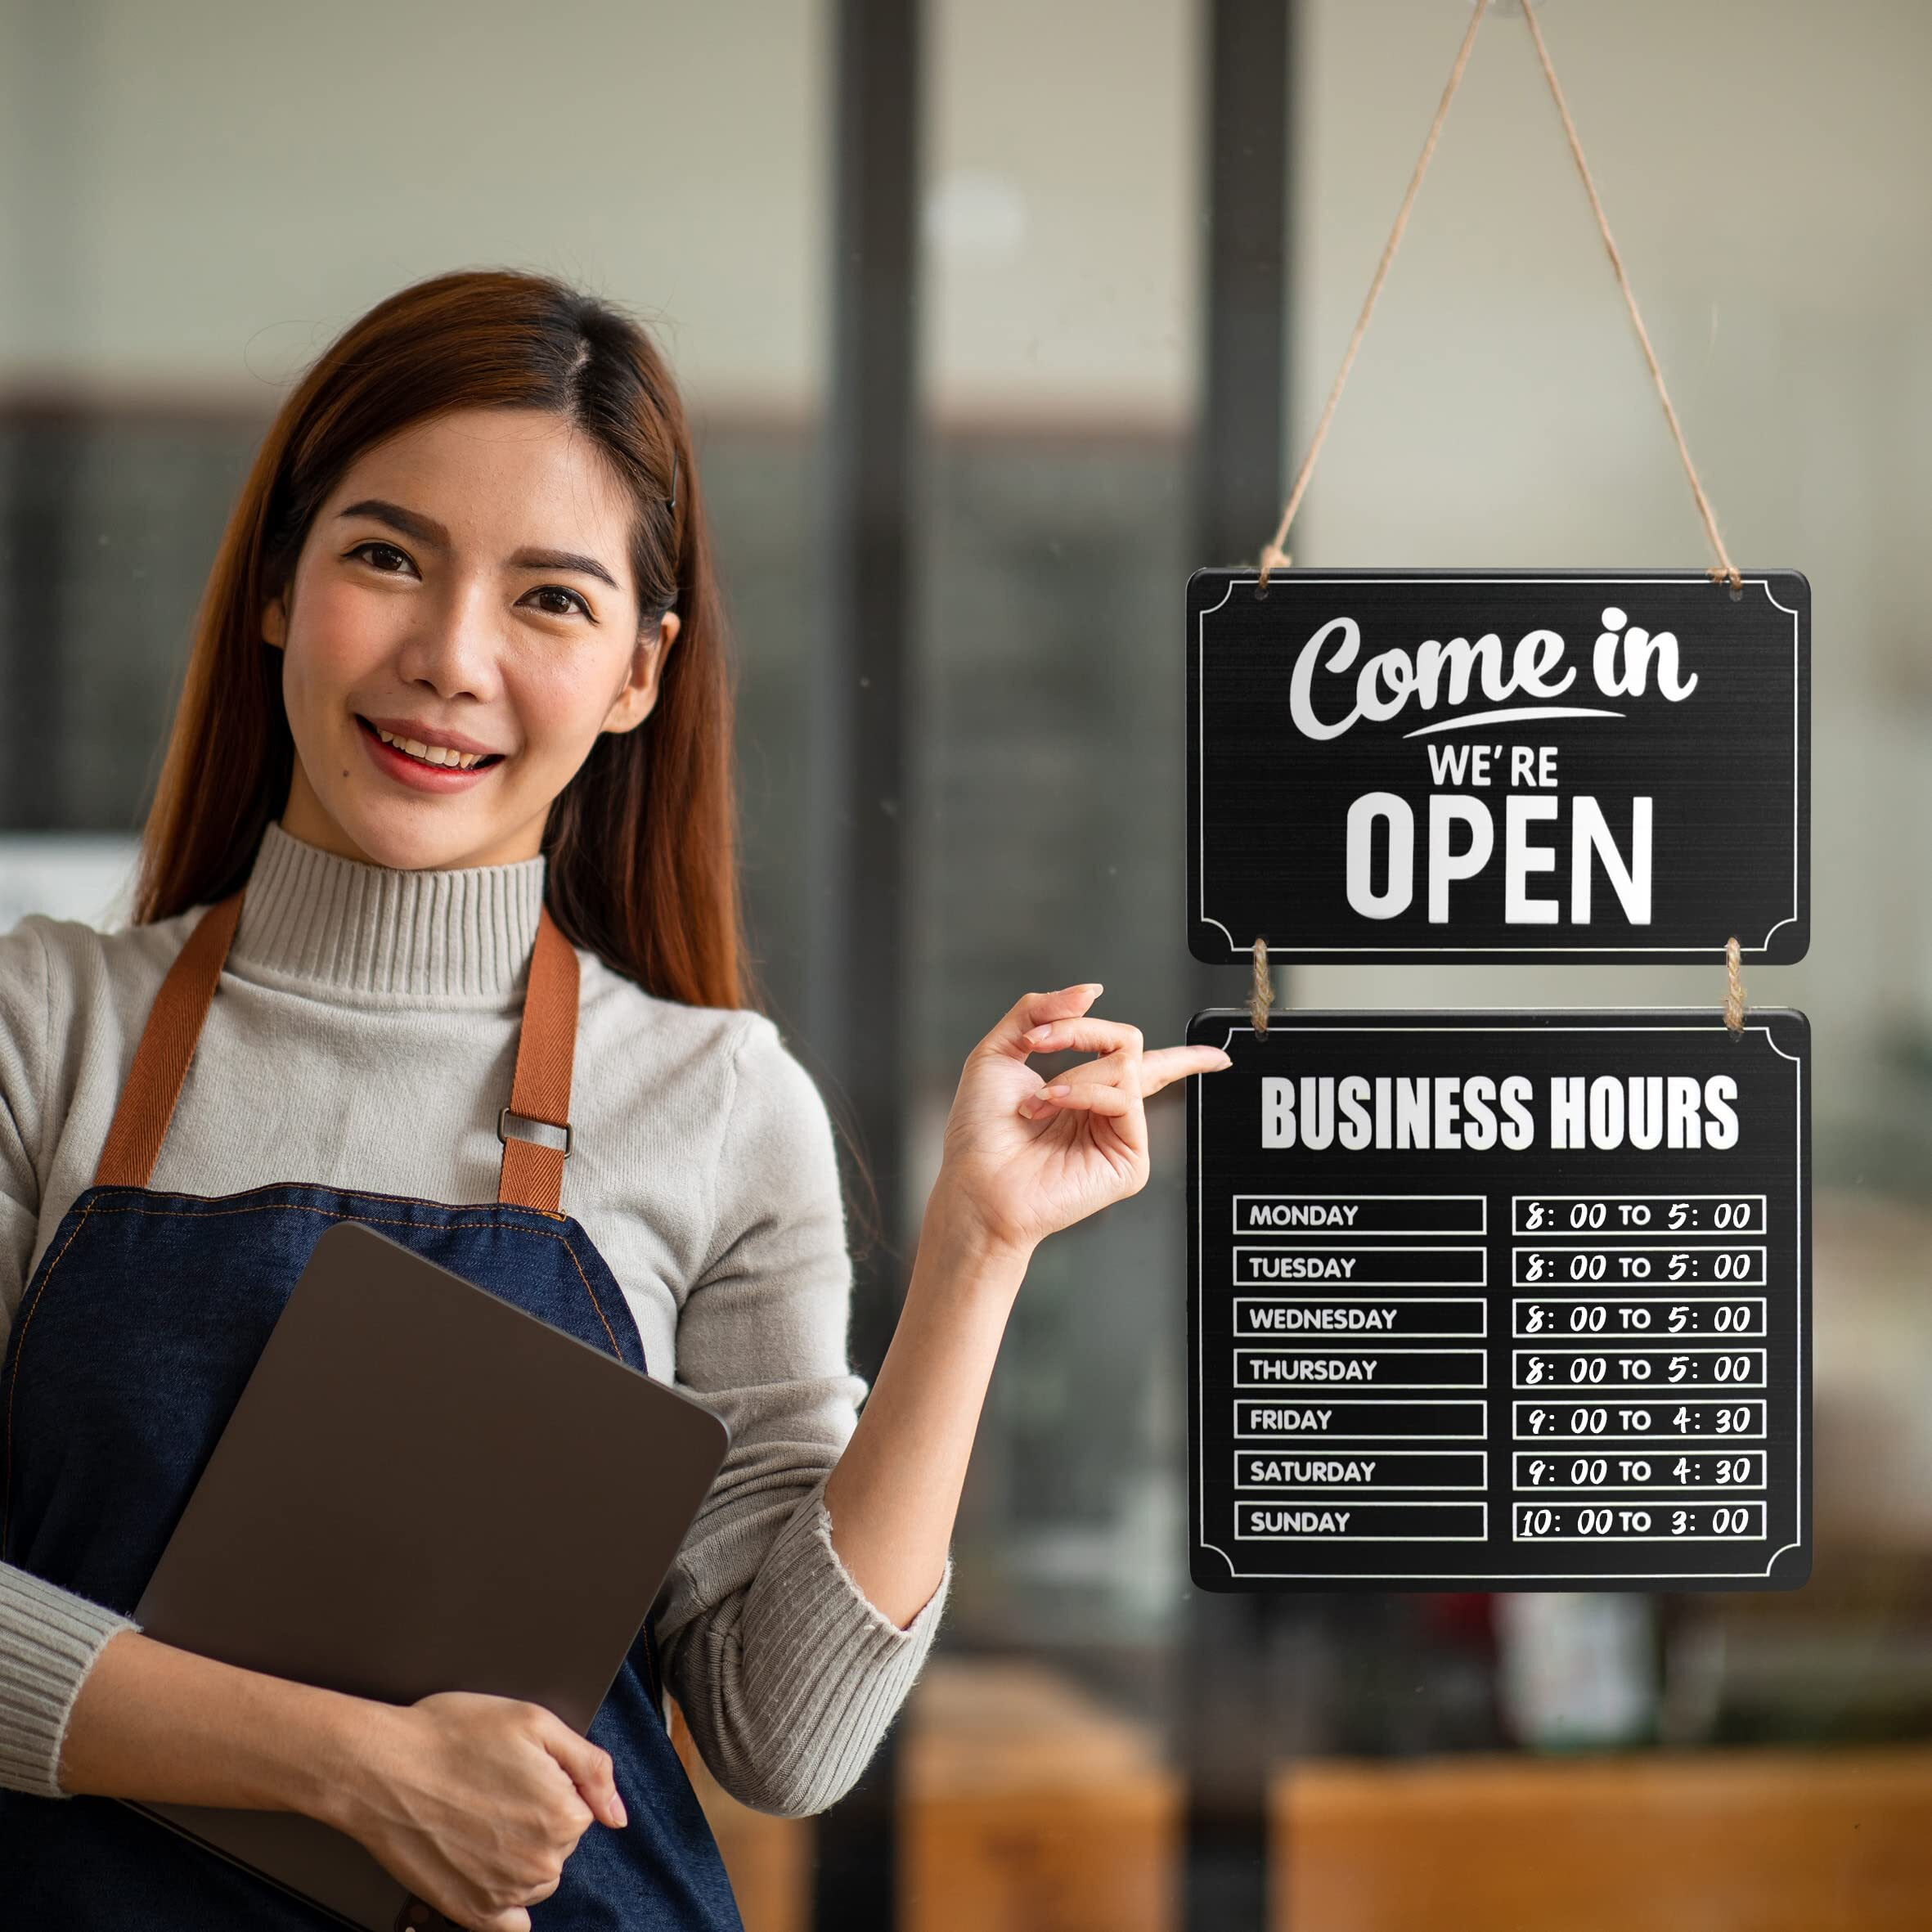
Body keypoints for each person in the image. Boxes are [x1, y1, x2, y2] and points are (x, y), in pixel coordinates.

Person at [0, 267, 1233, 1931]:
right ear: (280, 585)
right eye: (387, 555)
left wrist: (974, 1254)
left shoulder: (719, 1101)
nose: (451, 658)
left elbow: (780, 1732)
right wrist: (351, 1766)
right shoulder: (42, 1025)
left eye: (551, 600)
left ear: (639, 672)